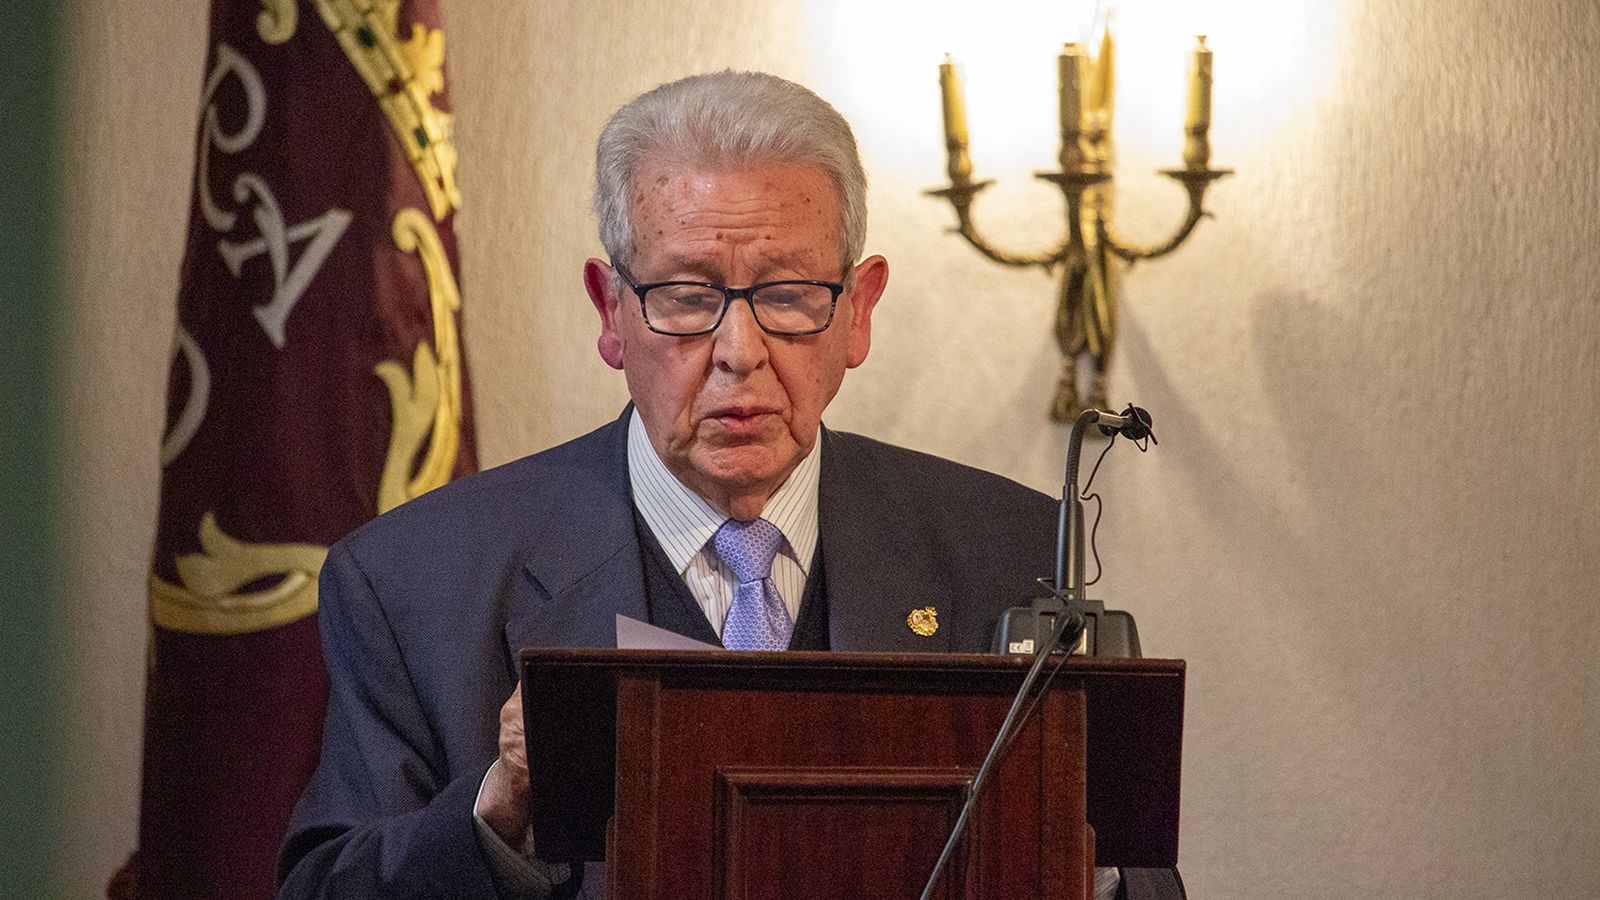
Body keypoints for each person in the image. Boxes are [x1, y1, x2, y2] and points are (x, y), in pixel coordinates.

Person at [278, 71, 1173, 900]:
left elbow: (1140, 879)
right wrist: (498, 810)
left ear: (858, 311)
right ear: (610, 312)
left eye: (787, 295)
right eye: (685, 296)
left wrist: (1071, 850)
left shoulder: (1008, 554)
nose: (739, 354)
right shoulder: (414, 581)